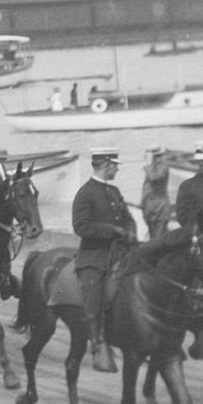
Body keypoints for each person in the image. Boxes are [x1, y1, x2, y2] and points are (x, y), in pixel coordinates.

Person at [71, 148, 137, 373]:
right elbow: (81, 227)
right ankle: (97, 342)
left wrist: (130, 231)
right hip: (94, 255)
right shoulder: (85, 193)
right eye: (115, 165)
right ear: (105, 165)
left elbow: (128, 218)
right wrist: (112, 230)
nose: (117, 169)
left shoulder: (114, 191)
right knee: (94, 296)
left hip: (121, 251)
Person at [140, 146, 172, 241]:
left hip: (160, 209)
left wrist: (147, 164)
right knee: (153, 238)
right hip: (150, 208)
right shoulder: (153, 167)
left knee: (158, 240)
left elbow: (155, 178)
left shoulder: (163, 166)